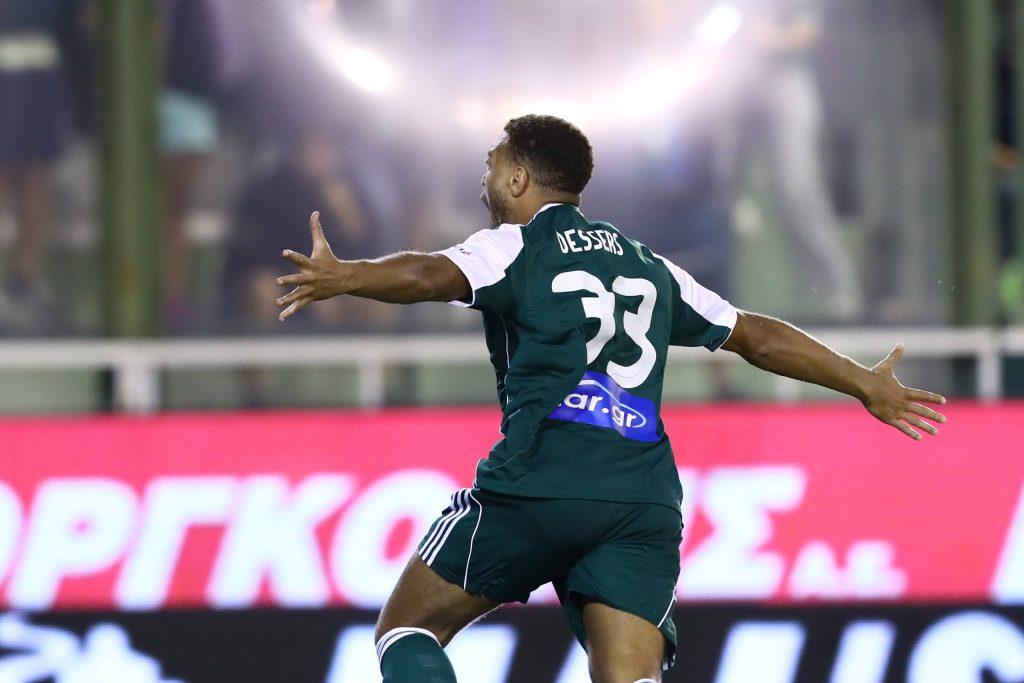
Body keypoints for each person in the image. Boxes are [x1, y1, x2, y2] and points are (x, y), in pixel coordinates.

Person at [275, 115, 946, 683]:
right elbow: (757, 335)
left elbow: (430, 274)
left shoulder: (516, 246)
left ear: (517, 179)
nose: (486, 179)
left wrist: (346, 276)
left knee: (406, 628)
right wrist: (864, 382)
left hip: (541, 480)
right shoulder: (648, 263)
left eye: (492, 164)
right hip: (639, 499)